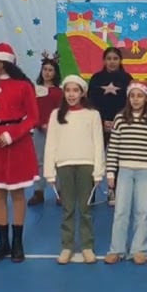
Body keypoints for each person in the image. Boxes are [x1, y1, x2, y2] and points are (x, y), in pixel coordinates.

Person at [0, 42, 40, 263]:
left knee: (17, 194)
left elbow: (33, 117)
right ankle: (2, 243)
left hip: (16, 145)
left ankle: (17, 242)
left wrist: (10, 135)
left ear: (3, 63)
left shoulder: (24, 86)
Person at [43, 75, 105, 264]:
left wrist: (98, 170)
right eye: (68, 91)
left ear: (82, 93)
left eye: (75, 90)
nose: (71, 94)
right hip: (64, 166)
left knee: (85, 209)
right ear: (64, 93)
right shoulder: (56, 115)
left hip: (86, 165)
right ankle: (67, 246)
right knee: (67, 208)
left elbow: (98, 143)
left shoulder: (92, 114)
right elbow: (51, 143)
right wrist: (49, 171)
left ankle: (87, 245)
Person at [105, 82, 147, 265]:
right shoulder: (121, 118)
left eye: (140, 96)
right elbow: (113, 147)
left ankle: (139, 249)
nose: (136, 99)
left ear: (146, 98)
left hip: (146, 171)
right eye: (132, 96)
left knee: (141, 210)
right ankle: (117, 249)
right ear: (128, 98)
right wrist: (110, 173)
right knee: (121, 210)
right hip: (124, 170)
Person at [88, 46, 133, 204]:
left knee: (117, 159)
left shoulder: (127, 79)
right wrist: (101, 121)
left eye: (115, 59)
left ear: (120, 61)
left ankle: (114, 191)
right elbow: (90, 102)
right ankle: (91, 192)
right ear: (104, 61)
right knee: (95, 158)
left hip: (120, 125)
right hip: (98, 125)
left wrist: (117, 120)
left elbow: (131, 102)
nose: (112, 62)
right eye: (109, 59)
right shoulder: (96, 79)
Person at [29, 54, 62, 206]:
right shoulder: (35, 90)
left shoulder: (59, 92)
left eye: (51, 70)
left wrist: (53, 126)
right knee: (39, 161)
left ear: (55, 73)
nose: (47, 72)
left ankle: (60, 192)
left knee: (57, 161)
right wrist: (39, 124)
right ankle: (38, 192)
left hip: (55, 131)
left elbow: (61, 111)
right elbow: (31, 110)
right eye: (45, 69)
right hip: (39, 130)